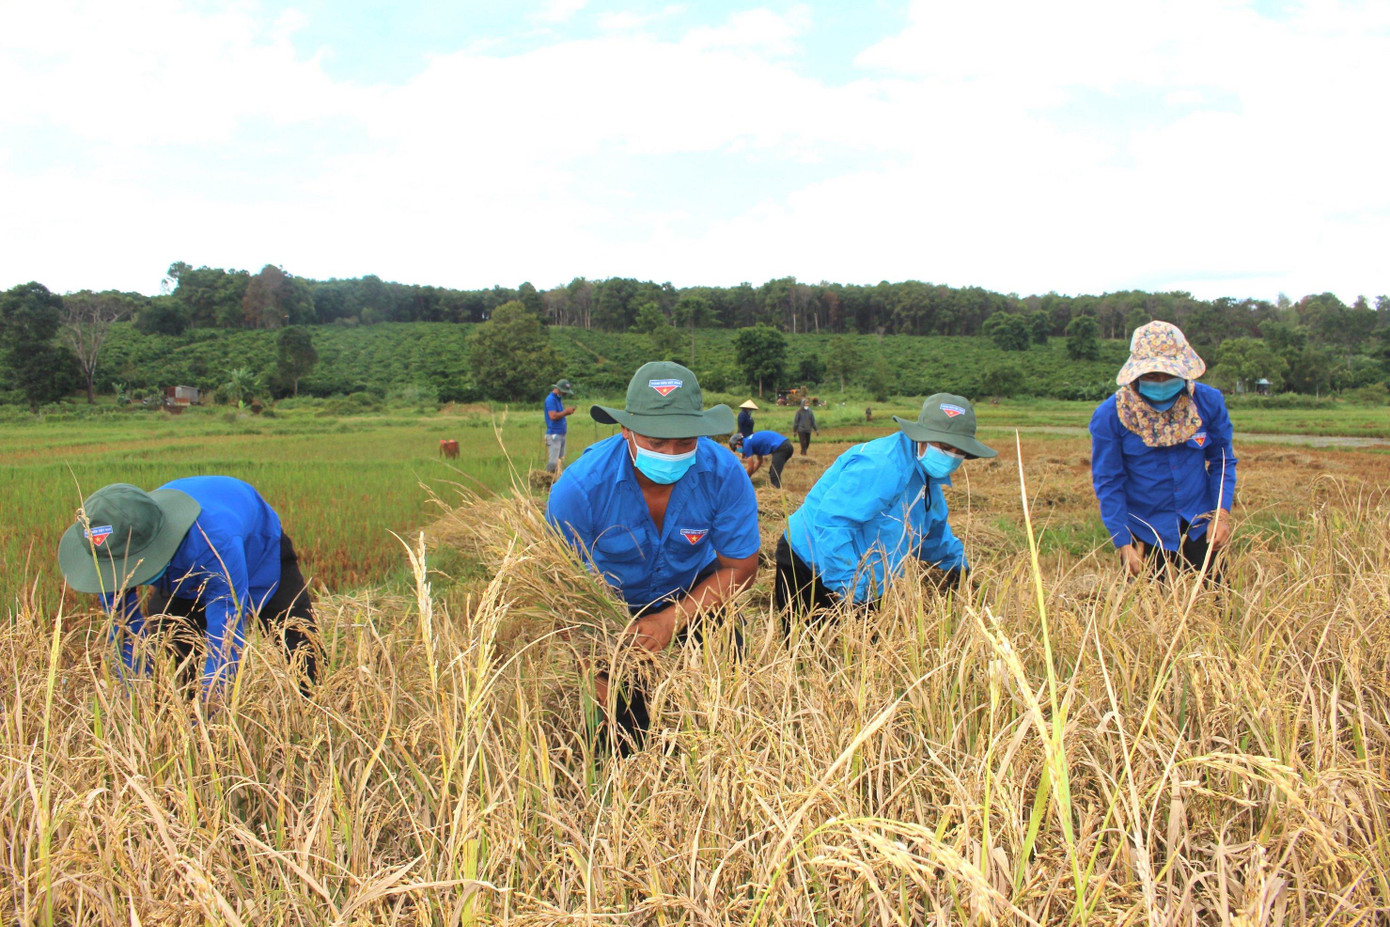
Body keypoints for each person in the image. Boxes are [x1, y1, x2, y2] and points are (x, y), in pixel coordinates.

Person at [547, 361, 760, 753]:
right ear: (626, 429)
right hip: (611, 606)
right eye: (656, 443)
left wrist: (672, 619)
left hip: (693, 590)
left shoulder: (725, 474)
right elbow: (561, 593)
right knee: (623, 735)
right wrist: (590, 664)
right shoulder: (578, 490)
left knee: (722, 701)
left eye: (684, 442)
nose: (671, 454)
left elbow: (741, 568)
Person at [57, 476, 320, 698]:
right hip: (178, 566)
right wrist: (134, 695)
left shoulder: (215, 541)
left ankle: (313, 710)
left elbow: (226, 633)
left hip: (256, 548)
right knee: (178, 649)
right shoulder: (107, 552)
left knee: (299, 642)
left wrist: (212, 705)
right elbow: (125, 630)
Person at [775, 393, 995, 624]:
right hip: (811, 564)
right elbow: (832, 524)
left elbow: (931, 533)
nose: (952, 456)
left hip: (862, 577)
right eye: (945, 447)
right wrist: (851, 591)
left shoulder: (927, 480)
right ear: (922, 437)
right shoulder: (882, 465)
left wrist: (958, 566)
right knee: (813, 655)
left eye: (959, 451)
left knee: (861, 654)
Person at [1089, 321, 1236, 580]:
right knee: (1151, 613)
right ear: (1136, 376)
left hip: (1201, 525)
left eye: (1169, 376)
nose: (1161, 382)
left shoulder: (1207, 403)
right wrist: (1123, 542)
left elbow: (1222, 461)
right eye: (1152, 376)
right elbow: (1109, 481)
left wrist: (1221, 515)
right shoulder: (1110, 416)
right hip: (1145, 531)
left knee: (1215, 607)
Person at [544, 378, 577, 473]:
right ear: (558, 389)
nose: (565, 394)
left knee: (560, 460)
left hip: (561, 434)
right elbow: (553, 416)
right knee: (553, 463)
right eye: (564, 392)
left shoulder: (558, 399)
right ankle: (549, 480)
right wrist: (566, 412)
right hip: (554, 435)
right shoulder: (550, 399)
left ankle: (558, 479)